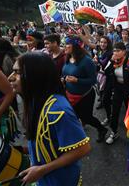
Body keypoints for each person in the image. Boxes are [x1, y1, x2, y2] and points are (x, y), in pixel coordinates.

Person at [8, 52, 91, 185]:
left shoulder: (58, 110)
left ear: (35, 75)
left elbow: (83, 149)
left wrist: (42, 169)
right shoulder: (36, 100)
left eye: (17, 72)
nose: (10, 78)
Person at [62, 35, 108, 142]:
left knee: (87, 117)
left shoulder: (86, 61)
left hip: (85, 96)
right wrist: (64, 79)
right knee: (71, 116)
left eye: (67, 44)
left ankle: (102, 129)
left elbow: (93, 80)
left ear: (75, 46)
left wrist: (77, 80)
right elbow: (64, 73)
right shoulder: (68, 58)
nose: (65, 46)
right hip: (69, 95)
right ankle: (76, 137)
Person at [102, 42, 129, 144]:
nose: (115, 53)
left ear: (124, 52)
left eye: (118, 51)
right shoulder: (113, 61)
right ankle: (114, 132)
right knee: (115, 112)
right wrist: (111, 61)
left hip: (128, 90)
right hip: (118, 89)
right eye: (114, 50)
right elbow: (106, 72)